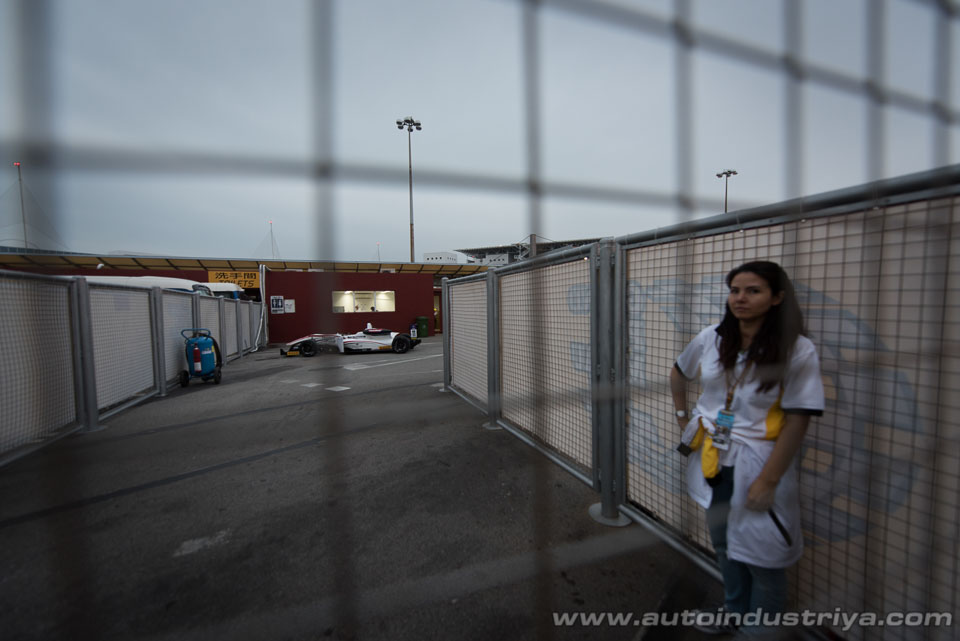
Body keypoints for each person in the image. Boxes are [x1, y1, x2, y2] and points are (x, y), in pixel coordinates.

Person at [670, 261, 824, 636]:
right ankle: (733, 611)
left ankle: (759, 633)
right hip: (713, 460)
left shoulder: (797, 349)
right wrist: (683, 419)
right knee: (724, 545)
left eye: (753, 290)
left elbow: (798, 419)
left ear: (777, 298)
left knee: (764, 561)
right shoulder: (713, 337)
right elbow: (678, 372)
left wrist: (769, 481)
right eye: (735, 290)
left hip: (759, 463)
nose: (740, 298)